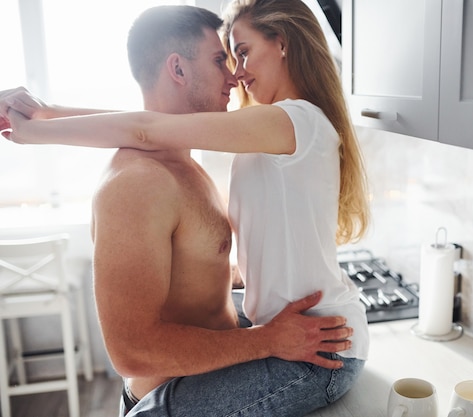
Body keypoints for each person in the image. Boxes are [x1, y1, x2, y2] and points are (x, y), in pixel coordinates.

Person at [1, 0, 371, 415]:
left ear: (282, 44)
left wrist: (43, 123)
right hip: (263, 350)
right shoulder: (142, 182)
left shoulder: (287, 123)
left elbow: (147, 127)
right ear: (177, 69)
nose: (235, 74)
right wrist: (41, 121)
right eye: (224, 58)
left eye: (242, 52)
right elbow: (146, 127)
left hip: (307, 343)